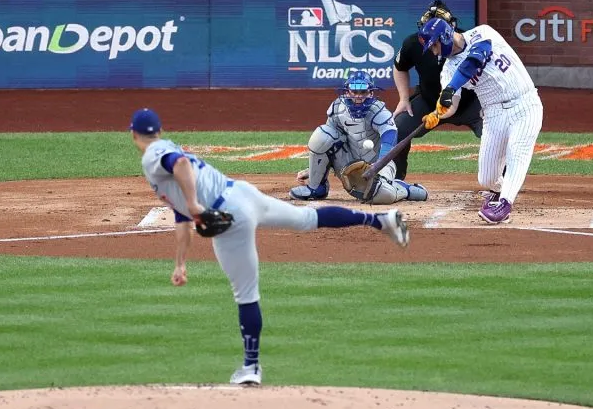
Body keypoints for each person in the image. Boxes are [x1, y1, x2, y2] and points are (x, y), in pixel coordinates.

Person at [130, 107, 409, 385]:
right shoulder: (165, 151)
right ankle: (382, 221)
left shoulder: (154, 154)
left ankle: (251, 367)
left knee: (246, 294)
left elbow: (180, 165)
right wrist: (180, 262)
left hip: (230, 215)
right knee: (306, 218)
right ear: (160, 130)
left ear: (133, 134)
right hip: (243, 194)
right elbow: (181, 215)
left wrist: (193, 204)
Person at [417, 5, 543, 224]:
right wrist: (437, 114)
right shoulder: (447, 70)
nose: (434, 51)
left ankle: (504, 204)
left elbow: (475, 59)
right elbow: (451, 105)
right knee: (486, 177)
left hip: (525, 104)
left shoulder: (482, 33)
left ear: (445, 36)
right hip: (494, 114)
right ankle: (499, 192)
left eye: (435, 45)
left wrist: (450, 88)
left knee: (517, 152)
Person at [289, 71, 428, 204]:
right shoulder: (338, 108)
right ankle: (317, 187)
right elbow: (328, 142)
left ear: (371, 92)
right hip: (349, 164)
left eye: (363, 92)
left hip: (378, 163)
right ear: (347, 92)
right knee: (322, 135)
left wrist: (379, 164)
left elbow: (390, 136)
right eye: (354, 92)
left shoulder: (378, 110)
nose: (358, 96)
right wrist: (314, 171)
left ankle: (405, 189)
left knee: (382, 195)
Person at [391, 0, 482, 183]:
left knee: (496, 130)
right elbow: (399, 66)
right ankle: (395, 178)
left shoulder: (470, 41)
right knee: (398, 127)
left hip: (470, 102)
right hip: (429, 101)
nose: (433, 44)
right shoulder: (413, 43)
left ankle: (502, 182)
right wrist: (403, 98)